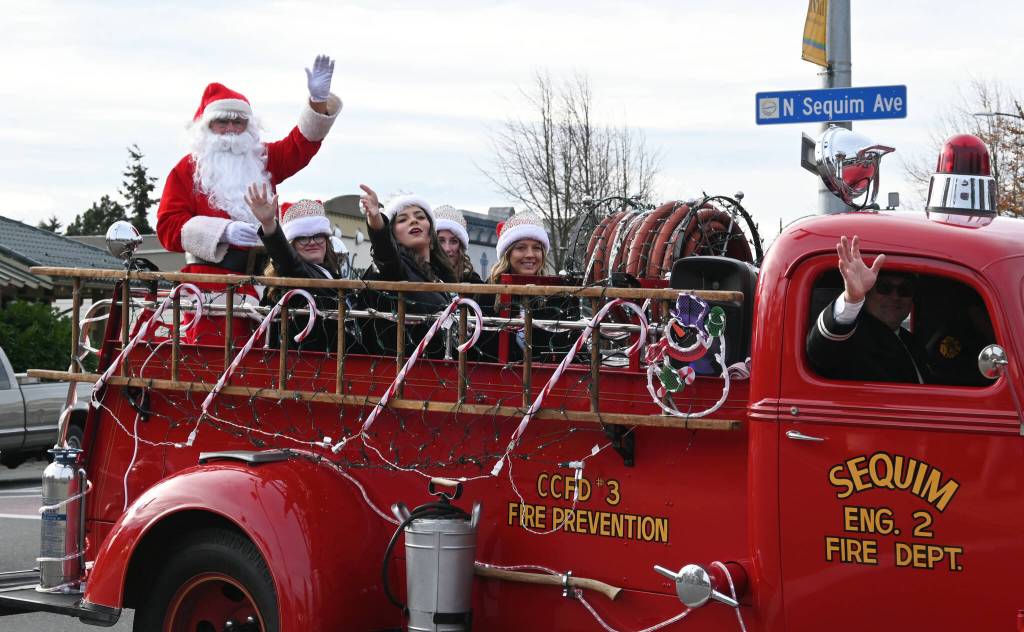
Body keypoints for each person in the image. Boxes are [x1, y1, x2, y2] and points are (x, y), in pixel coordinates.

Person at [156, 55, 342, 343]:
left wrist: (317, 102)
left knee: (261, 367)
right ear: (206, 126)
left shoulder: (262, 160)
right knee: (213, 365)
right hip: (209, 289)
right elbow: (167, 229)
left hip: (261, 287)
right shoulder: (187, 170)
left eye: (239, 122)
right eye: (222, 122)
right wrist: (221, 232)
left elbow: (300, 146)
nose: (231, 129)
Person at [806, 235, 931, 383]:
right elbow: (819, 352)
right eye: (884, 288)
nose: (895, 296)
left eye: (905, 290)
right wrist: (852, 299)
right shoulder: (853, 338)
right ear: (868, 291)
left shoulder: (911, 342)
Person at [356, 185, 455, 356]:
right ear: (392, 234)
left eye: (420, 216)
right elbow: (386, 255)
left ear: (431, 232)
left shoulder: (441, 276)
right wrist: (377, 221)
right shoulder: (395, 269)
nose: (413, 221)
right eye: (402, 219)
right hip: (403, 371)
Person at [245, 184, 342, 352]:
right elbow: (287, 259)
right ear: (292, 246)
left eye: (318, 235)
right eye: (302, 238)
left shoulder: (332, 275)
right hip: (302, 365)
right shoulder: (293, 271)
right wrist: (269, 225)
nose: (312, 242)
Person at [434, 205, 483, 283]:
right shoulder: (420, 277)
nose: (447, 249)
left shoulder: (473, 282)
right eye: (441, 241)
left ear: (461, 246)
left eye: (453, 241)